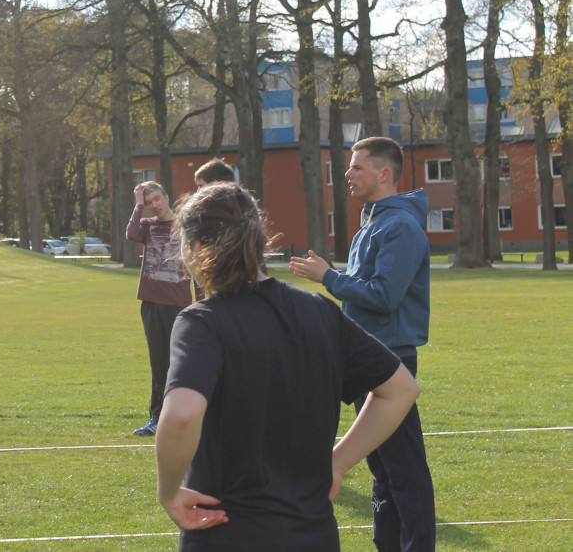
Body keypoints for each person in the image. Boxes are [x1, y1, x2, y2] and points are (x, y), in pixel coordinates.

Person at [156, 182, 421, 551]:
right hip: (313, 537)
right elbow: (401, 388)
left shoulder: (203, 322)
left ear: (196, 248)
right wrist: (339, 462)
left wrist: (168, 492)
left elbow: (182, 414)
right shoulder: (319, 311)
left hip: (226, 535)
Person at [289, 136, 436, 552]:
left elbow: (385, 296)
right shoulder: (374, 222)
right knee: (384, 468)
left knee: (404, 468)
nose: (347, 175)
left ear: (384, 173)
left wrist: (328, 278)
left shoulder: (400, 226)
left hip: (392, 360)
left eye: (356, 168)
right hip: (368, 357)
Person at [126, 180, 200, 437]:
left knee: (180, 362)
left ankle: (187, 415)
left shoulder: (186, 226)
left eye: (156, 199)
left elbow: (196, 266)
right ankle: (156, 417)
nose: (154, 205)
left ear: (167, 197)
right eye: (148, 203)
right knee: (158, 362)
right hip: (151, 303)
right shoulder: (146, 226)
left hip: (179, 304)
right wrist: (137, 207)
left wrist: (202, 301)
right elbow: (132, 235)